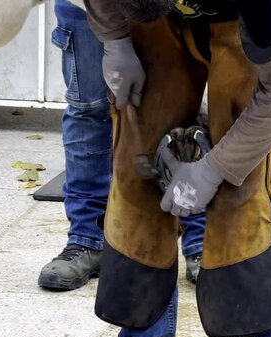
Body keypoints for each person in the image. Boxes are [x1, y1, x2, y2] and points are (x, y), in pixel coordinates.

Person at [81, 0, 271, 337]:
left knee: (247, 193)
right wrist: (115, 40)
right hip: (157, 25)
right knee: (136, 177)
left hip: (241, 21)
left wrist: (214, 169)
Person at [37, 0, 205, 291]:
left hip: (167, 9)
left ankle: (201, 239)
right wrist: (114, 41)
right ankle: (88, 239)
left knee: (180, 108)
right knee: (87, 108)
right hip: (85, 6)